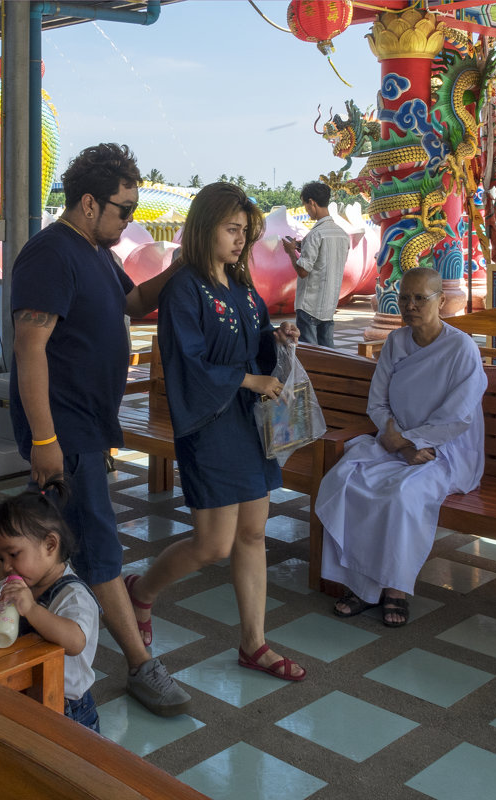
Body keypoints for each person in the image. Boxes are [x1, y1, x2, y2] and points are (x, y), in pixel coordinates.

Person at [6, 142, 190, 716]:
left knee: (46, 526)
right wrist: (44, 440)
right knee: (99, 541)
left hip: (85, 424)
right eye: (124, 209)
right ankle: (140, 664)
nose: (129, 219)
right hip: (65, 427)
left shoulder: (96, 252)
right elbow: (29, 347)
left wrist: (181, 265)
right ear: (89, 202)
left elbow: (132, 303)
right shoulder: (50, 255)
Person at [123, 182, 306, 682]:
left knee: (252, 533)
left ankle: (254, 644)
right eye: (231, 229)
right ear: (204, 228)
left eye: (245, 232)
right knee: (213, 545)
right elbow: (189, 362)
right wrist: (250, 377)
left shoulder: (242, 287)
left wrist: (275, 337)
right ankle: (140, 591)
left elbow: (249, 342)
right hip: (209, 423)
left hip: (248, 422)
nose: (240, 240)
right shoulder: (185, 290)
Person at [314, 267, 486, 626]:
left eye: (420, 298)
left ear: (440, 300)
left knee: (402, 495)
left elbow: (459, 416)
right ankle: (361, 584)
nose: (410, 306)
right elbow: (377, 402)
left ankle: (395, 590)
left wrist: (411, 443)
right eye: (404, 298)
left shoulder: (460, 348)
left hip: (444, 450)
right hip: (395, 441)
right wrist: (395, 438)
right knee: (345, 479)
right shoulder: (396, 342)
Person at [0, 478, 101, 731]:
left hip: (65, 708)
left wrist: (33, 610)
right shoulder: (18, 586)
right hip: (24, 694)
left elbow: (75, 641)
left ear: (50, 545)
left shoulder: (73, 595)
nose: (5, 567)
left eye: (13, 555)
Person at [282, 181, 350, 347]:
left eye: (305, 206)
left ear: (311, 202)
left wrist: (291, 251)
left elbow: (303, 271)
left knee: (311, 356)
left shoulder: (315, 234)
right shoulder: (342, 235)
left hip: (309, 305)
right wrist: (301, 246)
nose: (306, 211)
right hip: (329, 306)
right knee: (329, 356)